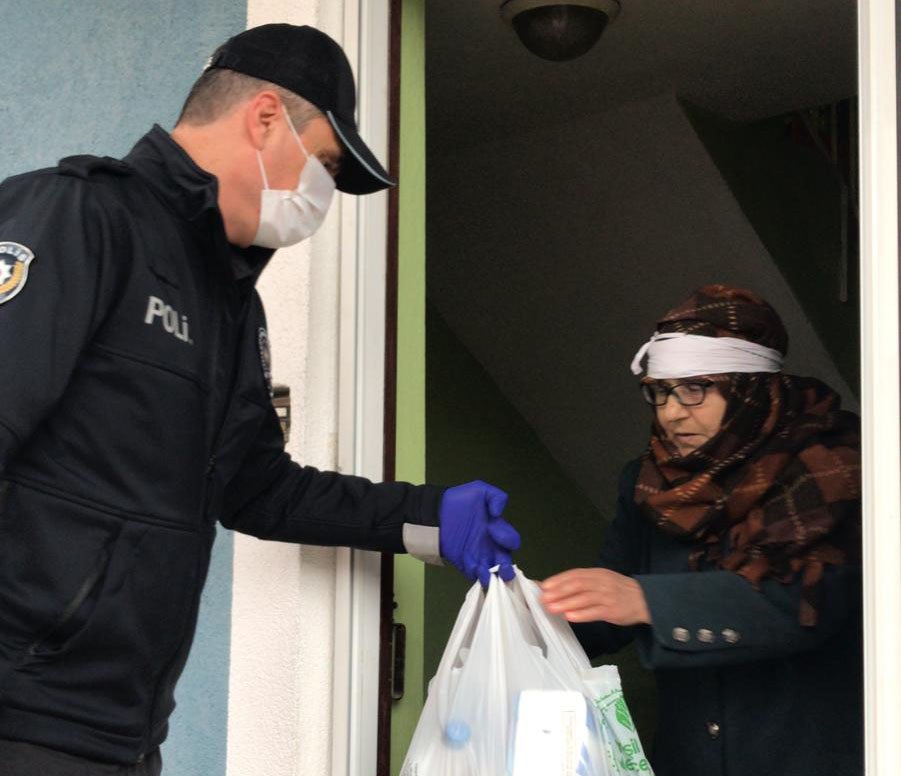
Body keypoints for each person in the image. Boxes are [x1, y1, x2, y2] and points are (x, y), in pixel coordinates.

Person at [0, 24, 520, 776]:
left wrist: (428, 519)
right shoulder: (80, 218)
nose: (323, 196)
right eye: (327, 164)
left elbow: (255, 489)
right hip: (23, 718)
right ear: (266, 116)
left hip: (121, 735)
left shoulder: (231, 306)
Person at [541, 285, 862, 776]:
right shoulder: (650, 480)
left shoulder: (829, 465)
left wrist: (647, 601)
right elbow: (612, 600)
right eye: (661, 392)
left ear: (749, 386)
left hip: (804, 755)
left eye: (695, 388)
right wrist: (534, 613)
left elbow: (810, 603)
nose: (671, 412)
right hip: (687, 759)